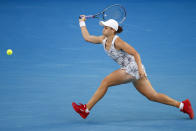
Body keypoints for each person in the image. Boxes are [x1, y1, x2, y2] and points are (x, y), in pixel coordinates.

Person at [72, 15, 194, 120]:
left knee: (105, 82)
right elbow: (87, 37)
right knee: (152, 96)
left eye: (106, 27)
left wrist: (140, 69)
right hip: (133, 70)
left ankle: (86, 109)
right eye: (103, 26)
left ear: (113, 30)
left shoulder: (118, 41)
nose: (103, 28)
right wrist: (82, 22)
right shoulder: (102, 39)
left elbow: (136, 53)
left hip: (132, 68)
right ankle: (183, 105)